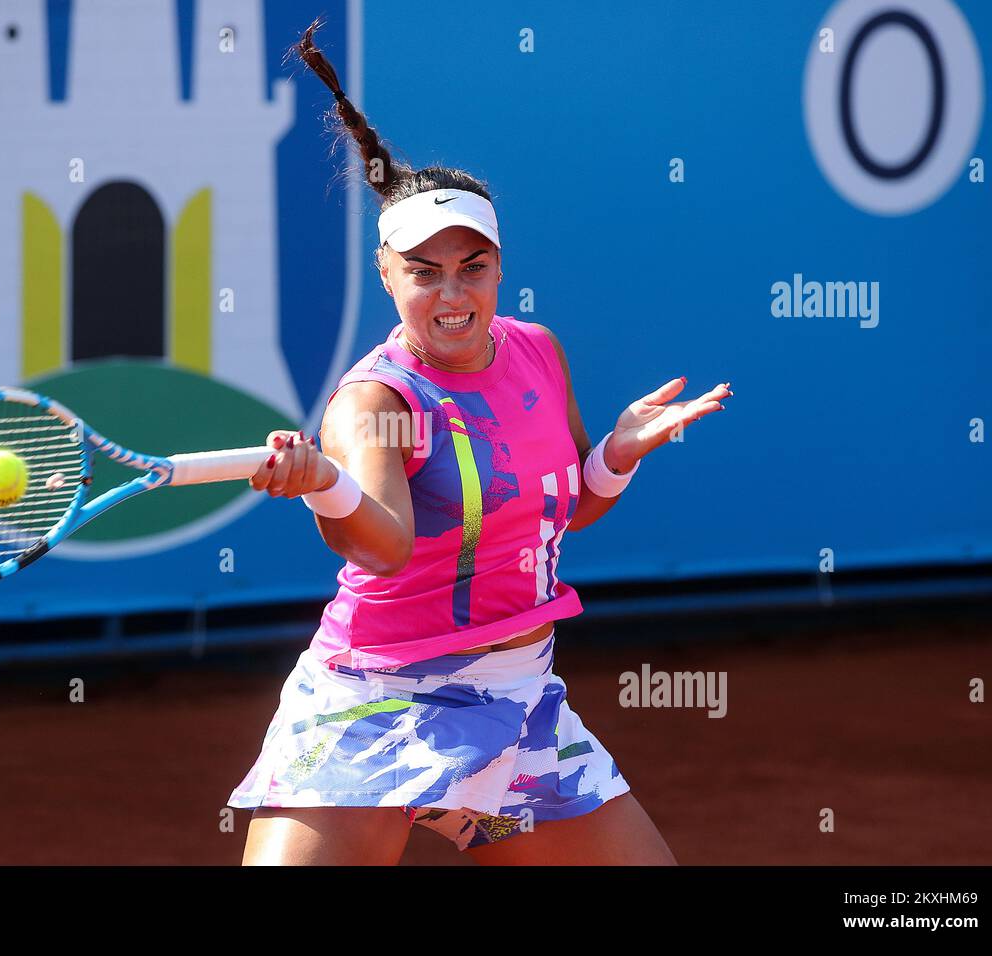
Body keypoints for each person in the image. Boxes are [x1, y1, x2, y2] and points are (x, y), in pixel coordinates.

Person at [226, 18, 731, 865]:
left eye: (473, 267)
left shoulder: (537, 351)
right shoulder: (374, 398)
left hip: (517, 697)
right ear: (388, 274)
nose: (451, 294)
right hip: (376, 703)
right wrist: (325, 485)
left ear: (500, 267)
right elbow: (384, 544)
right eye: (424, 272)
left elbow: (564, 515)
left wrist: (613, 456)